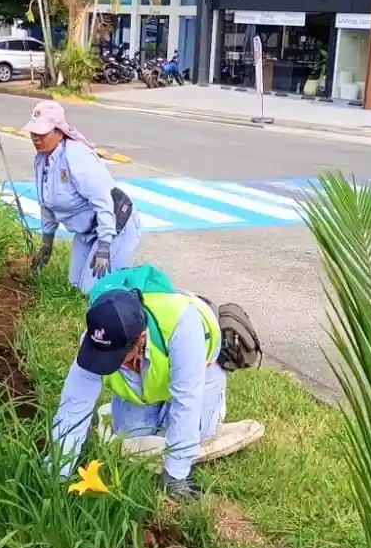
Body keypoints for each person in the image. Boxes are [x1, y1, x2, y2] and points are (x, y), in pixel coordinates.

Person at [48, 267, 264, 499]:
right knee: (132, 440)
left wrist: (175, 476)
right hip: (150, 381)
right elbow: (73, 405)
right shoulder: (98, 338)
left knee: (195, 435)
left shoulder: (182, 325)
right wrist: (57, 472)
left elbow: (187, 401)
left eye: (116, 357)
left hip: (201, 367)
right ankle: (157, 407)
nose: (107, 362)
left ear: (140, 339)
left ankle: (213, 404)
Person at [24, 99, 140, 294]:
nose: (36, 138)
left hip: (115, 226)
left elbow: (103, 200)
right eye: (33, 133)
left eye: (42, 133)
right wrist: (46, 245)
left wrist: (104, 246)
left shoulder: (76, 156)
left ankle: (136, 292)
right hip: (86, 232)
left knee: (92, 291)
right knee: (75, 287)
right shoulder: (41, 161)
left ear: (59, 132)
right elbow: (47, 204)